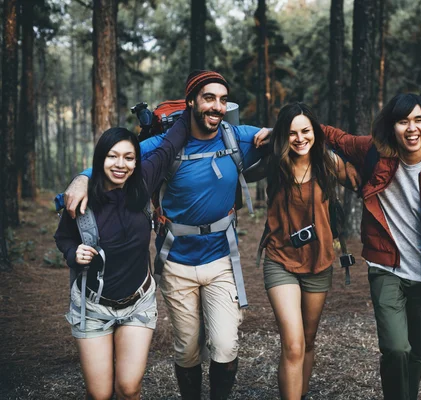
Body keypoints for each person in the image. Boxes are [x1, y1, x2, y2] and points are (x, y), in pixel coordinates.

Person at [60, 70, 270, 400]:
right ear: (191, 103)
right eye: (208, 98)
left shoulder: (237, 137)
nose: (217, 106)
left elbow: (295, 137)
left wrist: (276, 131)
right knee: (186, 350)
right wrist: (82, 178)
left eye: (222, 99)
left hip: (221, 260)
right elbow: (120, 158)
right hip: (176, 261)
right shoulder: (164, 143)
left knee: (226, 346)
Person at [317, 93, 421, 399]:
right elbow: (334, 137)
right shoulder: (374, 153)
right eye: (403, 121)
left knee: (416, 352)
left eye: (419, 120)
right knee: (396, 348)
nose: (411, 128)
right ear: (391, 127)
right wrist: (289, 127)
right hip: (386, 269)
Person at [54, 119, 188, 399]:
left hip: (137, 303)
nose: (121, 164)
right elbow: (64, 237)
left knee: (129, 388)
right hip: (92, 307)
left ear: (137, 162)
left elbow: (168, 147)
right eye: (112, 156)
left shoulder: (142, 184)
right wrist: (72, 254)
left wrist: (192, 108)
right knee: (100, 394)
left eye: (129, 157)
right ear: (99, 159)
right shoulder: (81, 199)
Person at [258, 103, 350, 400]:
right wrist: (267, 133)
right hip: (280, 260)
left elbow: (365, 181)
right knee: (294, 343)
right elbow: (237, 158)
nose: (300, 138)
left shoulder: (328, 163)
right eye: (292, 132)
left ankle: (302, 391)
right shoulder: (274, 161)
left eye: (306, 131)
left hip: (319, 261)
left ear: (315, 132)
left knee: (308, 340)